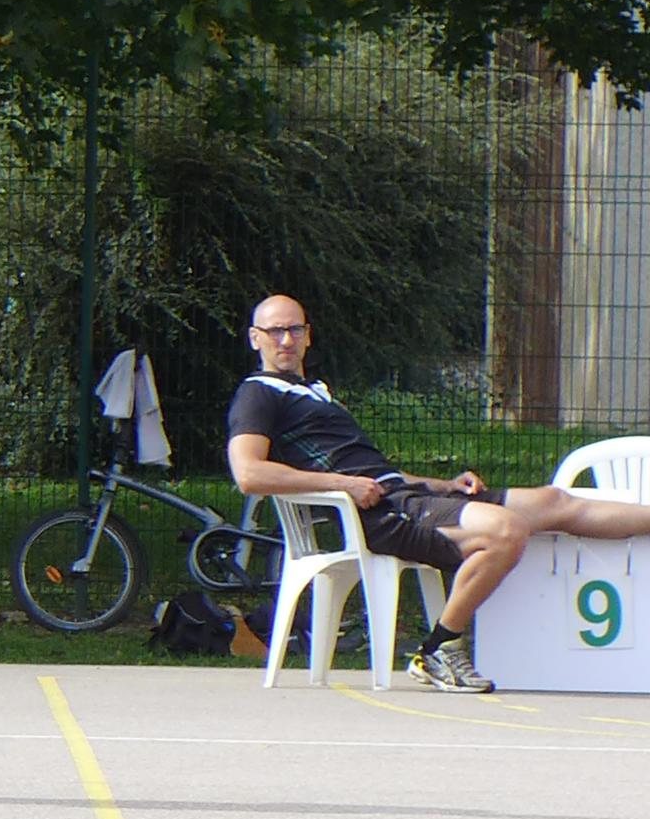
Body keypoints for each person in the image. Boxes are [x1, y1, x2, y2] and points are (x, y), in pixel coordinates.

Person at [226, 293, 650, 693]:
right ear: (254, 338)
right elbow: (249, 474)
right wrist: (343, 484)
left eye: (294, 330)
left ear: (308, 334)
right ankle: (439, 650)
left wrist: (443, 486)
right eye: (274, 331)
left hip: (401, 496)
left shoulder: (315, 392)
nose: (286, 340)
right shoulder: (258, 393)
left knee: (553, 501)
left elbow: (378, 473)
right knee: (506, 530)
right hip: (372, 516)